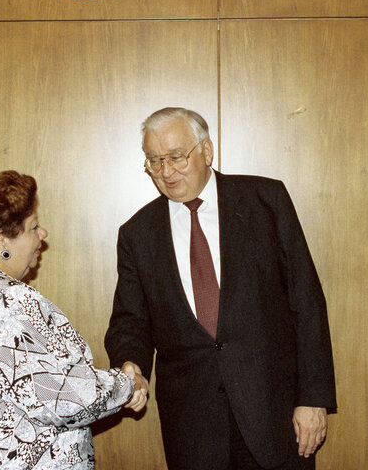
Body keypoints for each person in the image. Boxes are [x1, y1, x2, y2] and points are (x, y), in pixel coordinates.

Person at [105, 107, 336, 469]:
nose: (166, 172)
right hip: (193, 428)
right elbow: (129, 320)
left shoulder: (266, 200)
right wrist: (130, 365)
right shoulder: (137, 234)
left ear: (207, 151)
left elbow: (306, 302)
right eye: (153, 161)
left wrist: (313, 398)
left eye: (176, 157)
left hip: (274, 415)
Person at [0, 170, 148, 470]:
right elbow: (63, 399)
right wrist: (126, 384)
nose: (43, 234)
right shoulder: (7, 301)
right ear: (2, 241)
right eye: (32, 227)